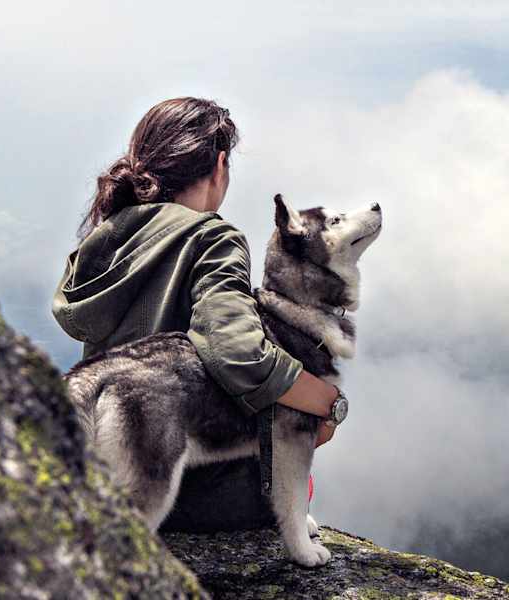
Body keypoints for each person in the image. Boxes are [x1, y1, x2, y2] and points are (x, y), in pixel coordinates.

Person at [51, 97, 339, 532]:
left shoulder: (105, 240)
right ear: (220, 164)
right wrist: (326, 402)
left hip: (109, 474)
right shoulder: (212, 238)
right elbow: (236, 349)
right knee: (295, 471)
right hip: (191, 489)